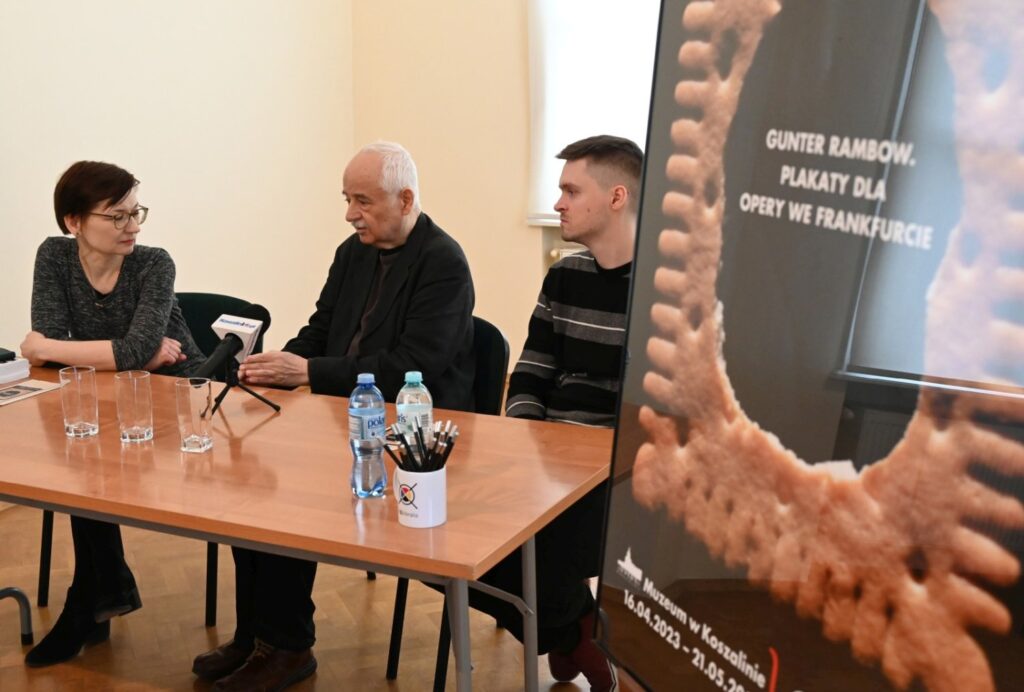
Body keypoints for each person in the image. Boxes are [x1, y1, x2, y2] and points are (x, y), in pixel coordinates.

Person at [191, 141, 475, 691]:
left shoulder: (444, 262)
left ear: (405, 200)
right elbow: (321, 328)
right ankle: (255, 635)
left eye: (362, 201)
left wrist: (309, 372)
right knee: (252, 487)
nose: (350, 214)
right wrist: (277, 365)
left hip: (405, 437)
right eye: (347, 199)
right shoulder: (353, 253)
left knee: (289, 500)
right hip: (339, 415)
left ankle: (288, 646)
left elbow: (412, 364)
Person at [19, 160, 206, 667]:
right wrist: (121, 354)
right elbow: (59, 352)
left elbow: (65, 347)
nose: (133, 227)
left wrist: (50, 346)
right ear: (73, 221)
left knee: (89, 467)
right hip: (103, 400)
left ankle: (92, 601)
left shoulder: (153, 264)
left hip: (176, 401)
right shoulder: (54, 256)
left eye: (135, 213)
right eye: (117, 216)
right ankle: (101, 592)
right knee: (81, 460)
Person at [479, 135, 640, 691]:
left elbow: (654, 415)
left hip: (617, 474)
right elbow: (530, 372)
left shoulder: (665, 290)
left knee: (532, 549)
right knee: (442, 538)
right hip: (546, 461)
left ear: (616, 197)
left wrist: (575, 457)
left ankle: (568, 632)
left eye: (572, 191)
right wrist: (526, 443)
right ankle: (575, 630)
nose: (558, 203)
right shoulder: (565, 275)